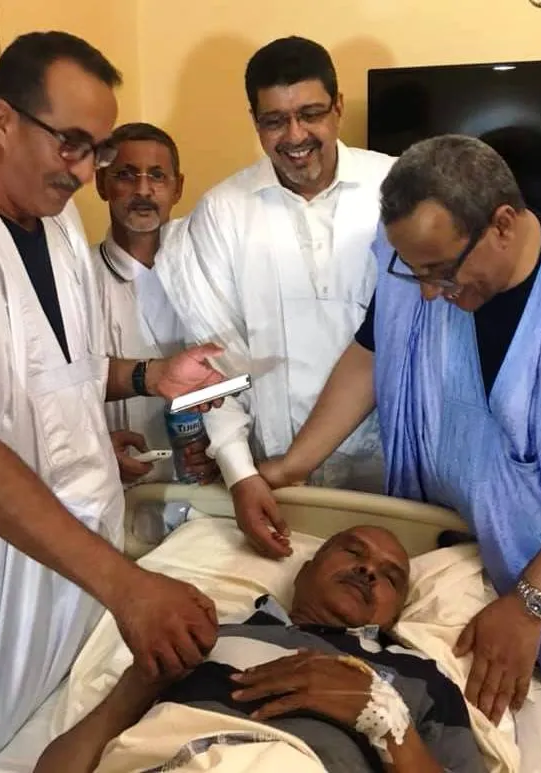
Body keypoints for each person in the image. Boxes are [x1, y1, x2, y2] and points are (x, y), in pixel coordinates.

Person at [258, 135, 541, 773]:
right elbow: (374, 351)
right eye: (414, 271)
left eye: (442, 271)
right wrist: (289, 468)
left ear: (502, 224)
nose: (428, 294)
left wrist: (529, 607)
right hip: (442, 554)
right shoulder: (415, 258)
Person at [0, 33, 225, 773]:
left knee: (61, 728)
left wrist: (151, 378)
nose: (88, 172)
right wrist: (130, 586)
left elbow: (64, 371)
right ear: (3, 120)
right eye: (73, 145)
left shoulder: (59, 225)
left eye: (98, 149)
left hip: (78, 565)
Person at [163, 36, 395, 560]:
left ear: (338, 107)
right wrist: (239, 472)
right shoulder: (224, 211)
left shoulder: (396, 186)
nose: (295, 136)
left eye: (310, 114)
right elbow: (215, 362)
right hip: (277, 475)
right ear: (255, 121)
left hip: (394, 472)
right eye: (274, 121)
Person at [34, 526, 484, 773]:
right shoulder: (204, 635)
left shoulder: (420, 679)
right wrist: (141, 683)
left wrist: (387, 723)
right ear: (304, 570)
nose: (368, 570)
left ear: (395, 613)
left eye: (390, 577)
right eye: (352, 552)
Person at [92, 122, 217, 486]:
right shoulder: (77, 276)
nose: (143, 190)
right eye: (126, 175)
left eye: (158, 176)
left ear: (178, 187)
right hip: (120, 484)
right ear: (101, 184)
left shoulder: (207, 272)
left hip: (204, 482)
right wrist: (95, 449)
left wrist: (222, 448)